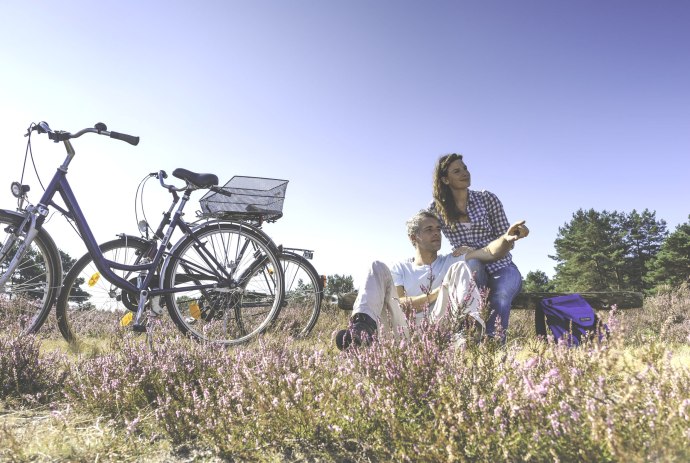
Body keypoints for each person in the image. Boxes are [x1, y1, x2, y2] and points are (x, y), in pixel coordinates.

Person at [335, 209, 527, 350]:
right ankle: (360, 331)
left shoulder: (451, 260)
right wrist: (438, 293)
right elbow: (400, 304)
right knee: (376, 266)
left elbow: (489, 252)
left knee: (461, 268)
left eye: (438, 229)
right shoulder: (401, 268)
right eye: (429, 229)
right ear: (414, 237)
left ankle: (469, 335)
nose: (436, 233)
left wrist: (506, 239)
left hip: (440, 327)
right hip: (403, 330)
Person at [430, 153, 529, 341]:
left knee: (500, 295)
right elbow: (424, 230)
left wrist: (514, 234)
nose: (464, 173)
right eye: (457, 171)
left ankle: (494, 345)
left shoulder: (486, 199)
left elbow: (505, 236)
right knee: (473, 264)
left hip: (501, 265)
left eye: (465, 168)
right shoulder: (437, 209)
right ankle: (468, 340)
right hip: (469, 267)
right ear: (445, 179)